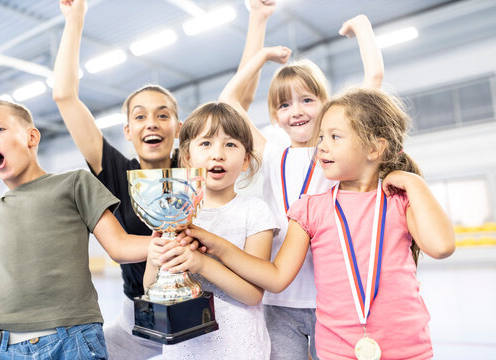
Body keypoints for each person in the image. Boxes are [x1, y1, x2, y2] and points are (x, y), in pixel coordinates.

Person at [53, 0, 277, 358]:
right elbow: (65, 97)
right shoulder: (115, 171)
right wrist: (75, 16)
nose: (152, 123)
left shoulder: (194, 169)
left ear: (180, 127)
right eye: (140, 117)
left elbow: (236, 109)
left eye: (162, 114)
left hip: (204, 306)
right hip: (140, 311)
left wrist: (257, 18)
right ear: (128, 130)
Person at [166, 88, 456, 359]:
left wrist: (413, 183)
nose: (321, 148)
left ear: (375, 148)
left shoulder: (399, 200)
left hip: (407, 345)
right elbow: (276, 278)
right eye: (321, 138)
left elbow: (441, 246)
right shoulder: (310, 209)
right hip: (336, 347)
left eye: (334, 137)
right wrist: (217, 246)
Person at [218, 14, 384, 360]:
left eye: (307, 100)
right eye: (284, 104)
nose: (296, 111)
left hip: (331, 294)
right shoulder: (272, 149)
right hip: (280, 297)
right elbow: (229, 100)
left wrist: (363, 30)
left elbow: (374, 81)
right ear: (275, 114)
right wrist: (260, 57)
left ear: (325, 105)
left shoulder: (338, 149)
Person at [0, 97, 154, 359]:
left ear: (32, 137)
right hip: (0, 347)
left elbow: (119, 246)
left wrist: (168, 241)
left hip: (72, 341)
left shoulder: (74, 183)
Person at [145, 102, 278, 359]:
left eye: (230, 144)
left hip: (239, 345)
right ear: (187, 158)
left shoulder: (256, 212)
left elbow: (253, 295)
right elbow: (151, 287)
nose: (218, 154)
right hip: (185, 346)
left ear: (246, 159)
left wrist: (202, 264)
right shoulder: (172, 211)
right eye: (206, 143)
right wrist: (154, 257)